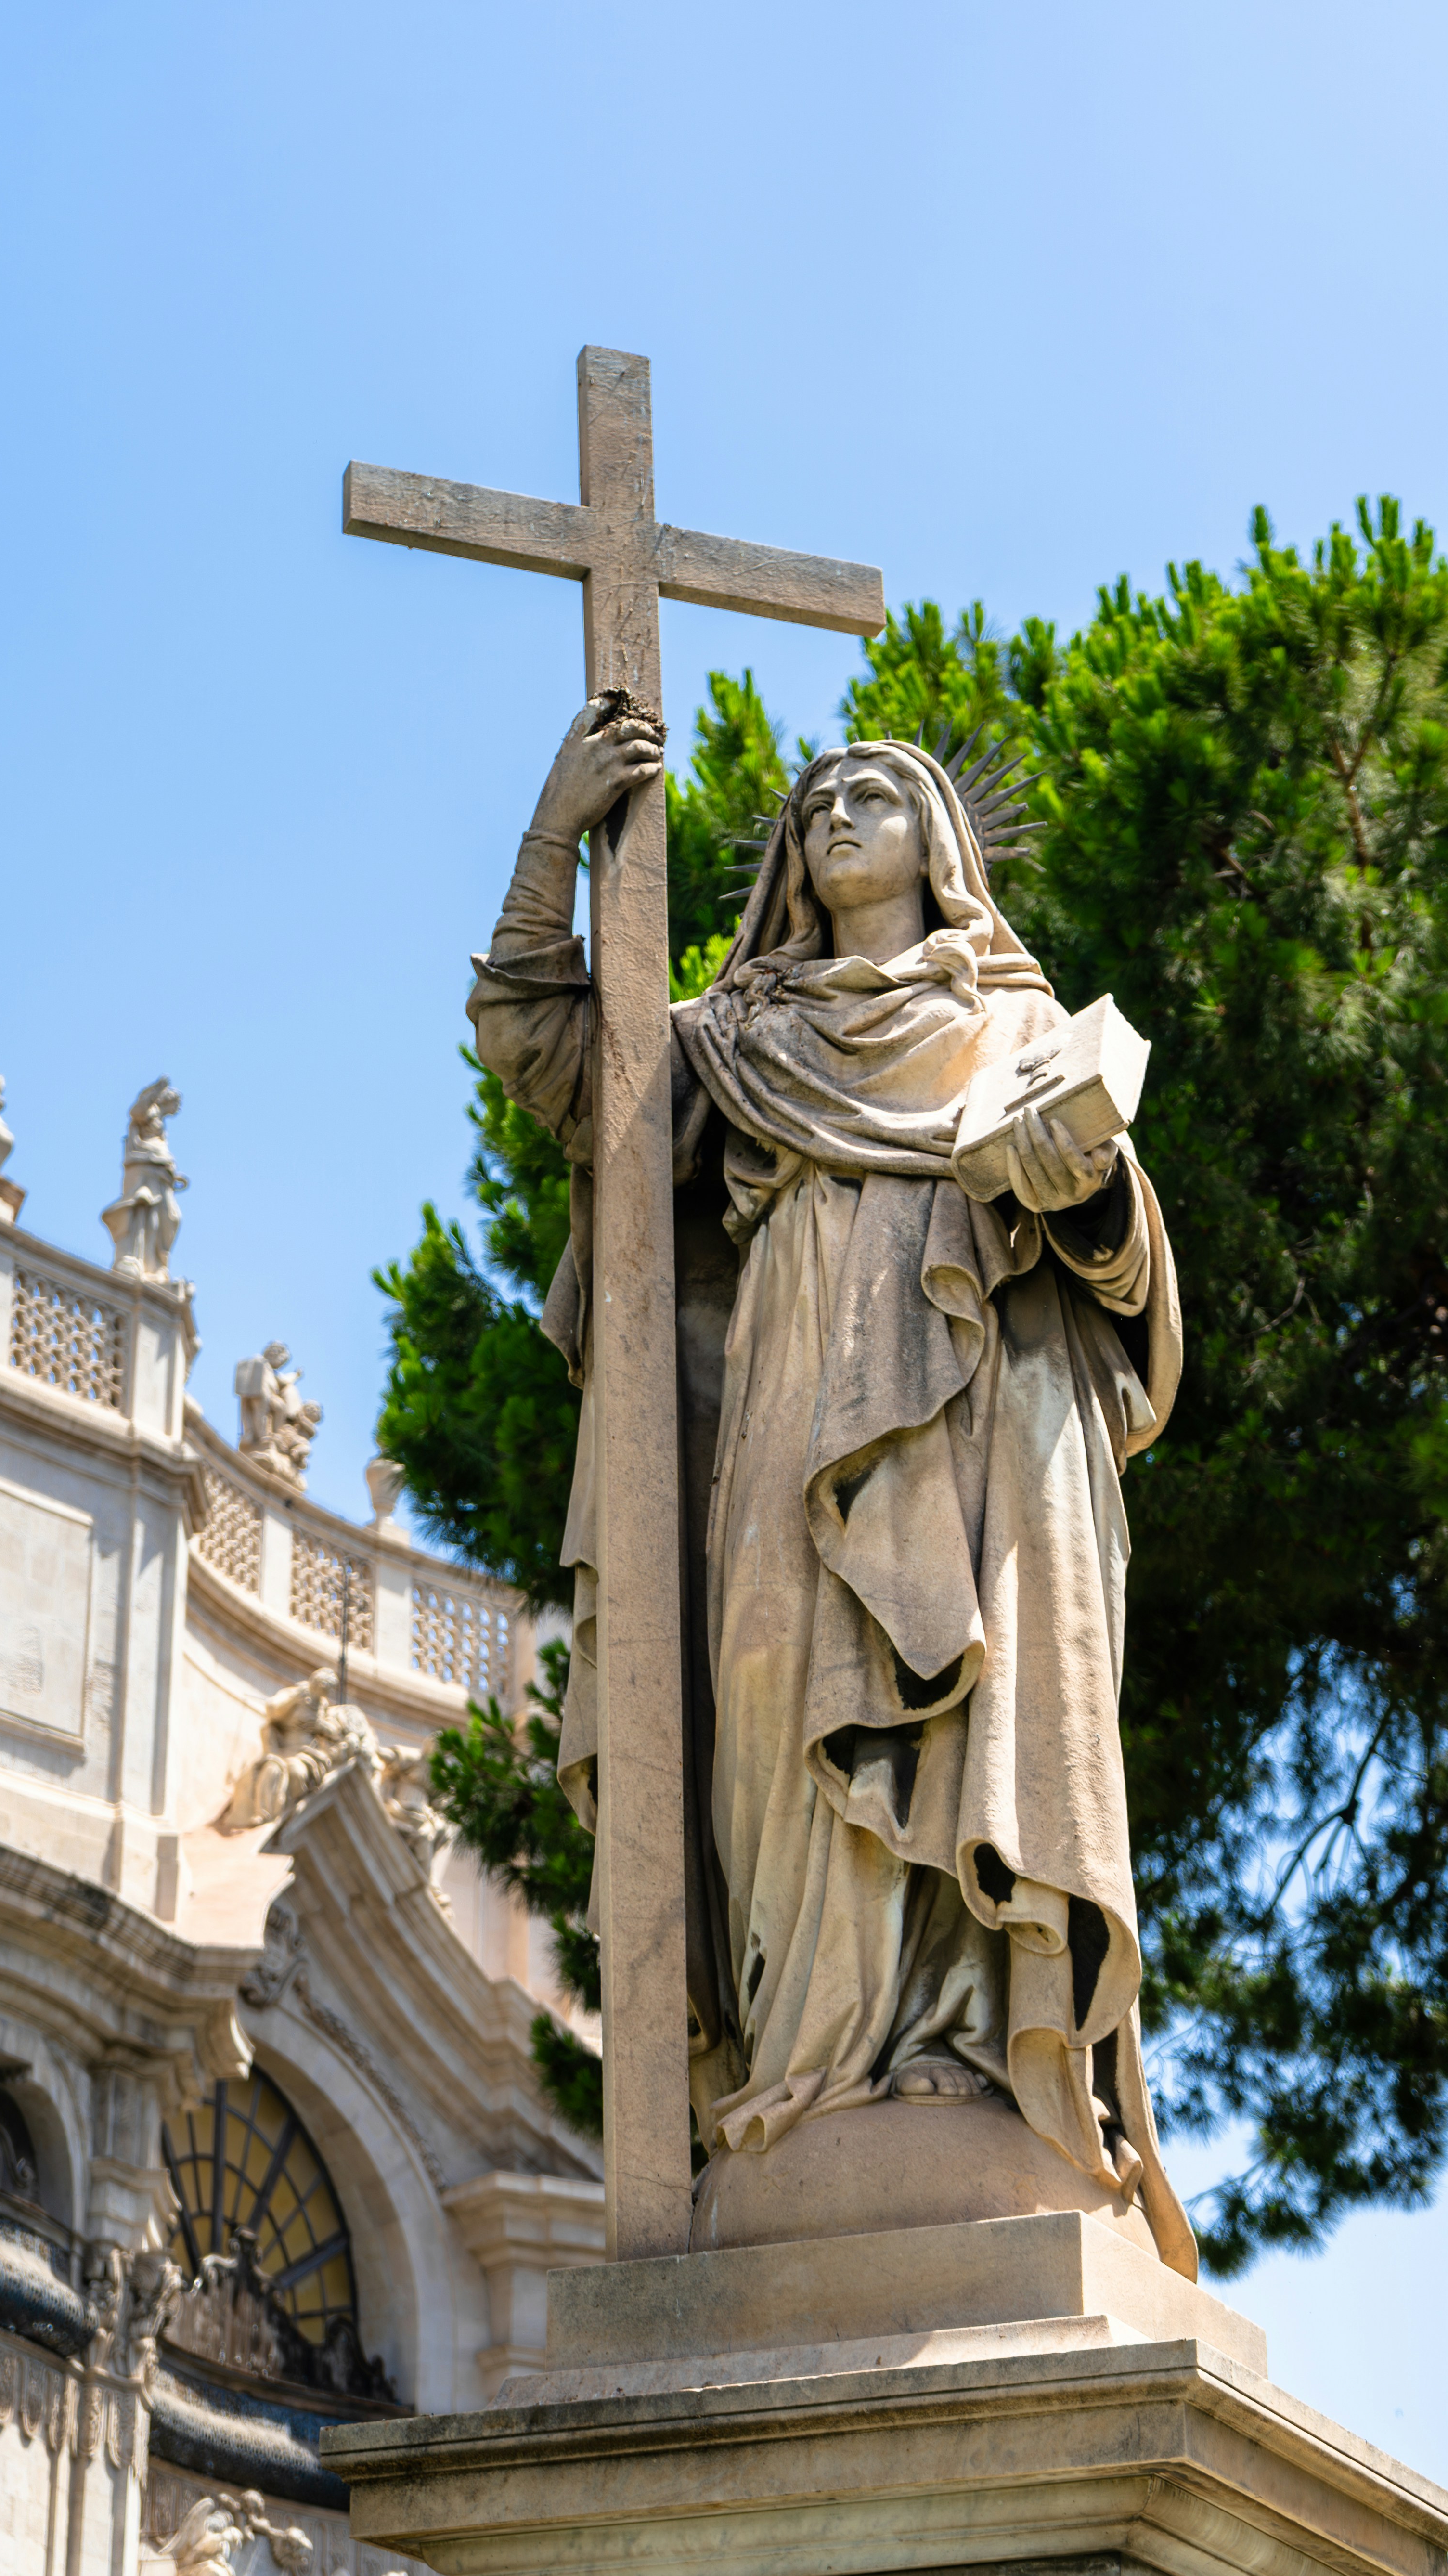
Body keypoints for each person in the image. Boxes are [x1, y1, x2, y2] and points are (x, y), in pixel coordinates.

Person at [469, 698, 1195, 2274]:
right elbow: (545, 1047)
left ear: (943, 845)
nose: (839, 816)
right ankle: (811, 2072)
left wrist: (1082, 1186)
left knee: (979, 1709)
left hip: (990, 1409)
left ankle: (962, 2050)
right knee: (776, 1695)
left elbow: (1128, 1270)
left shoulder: (1018, 1026)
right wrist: (556, 833)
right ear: (791, 866)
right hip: (790, 1391)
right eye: (818, 807)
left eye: (877, 795)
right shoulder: (736, 1040)